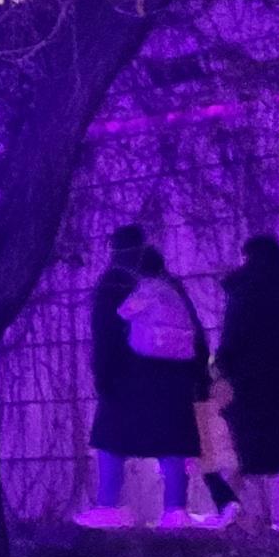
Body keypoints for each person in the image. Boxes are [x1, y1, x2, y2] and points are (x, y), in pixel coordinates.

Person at [218, 235, 279, 531]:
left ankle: (256, 515)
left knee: (253, 444)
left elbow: (233, 336)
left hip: (250, 378)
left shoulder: (244, 291)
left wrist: (221, 366)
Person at [114, 242, 207, 523]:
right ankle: (177, 507)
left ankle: (173, 509)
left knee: (164, 440)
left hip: (155, 367)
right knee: (177, 440)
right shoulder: (175, 292)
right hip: (180, 370)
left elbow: (123, 312)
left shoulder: (147, 290)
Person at [86, 221, 150, 517]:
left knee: (109, 437)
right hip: (148, 368)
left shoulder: (112, 284)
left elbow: (104, 332)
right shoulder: (148, 284)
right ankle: (175, 506)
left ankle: (108, 504)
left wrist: (102, 372)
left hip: (118, 369)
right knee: (168, 437)